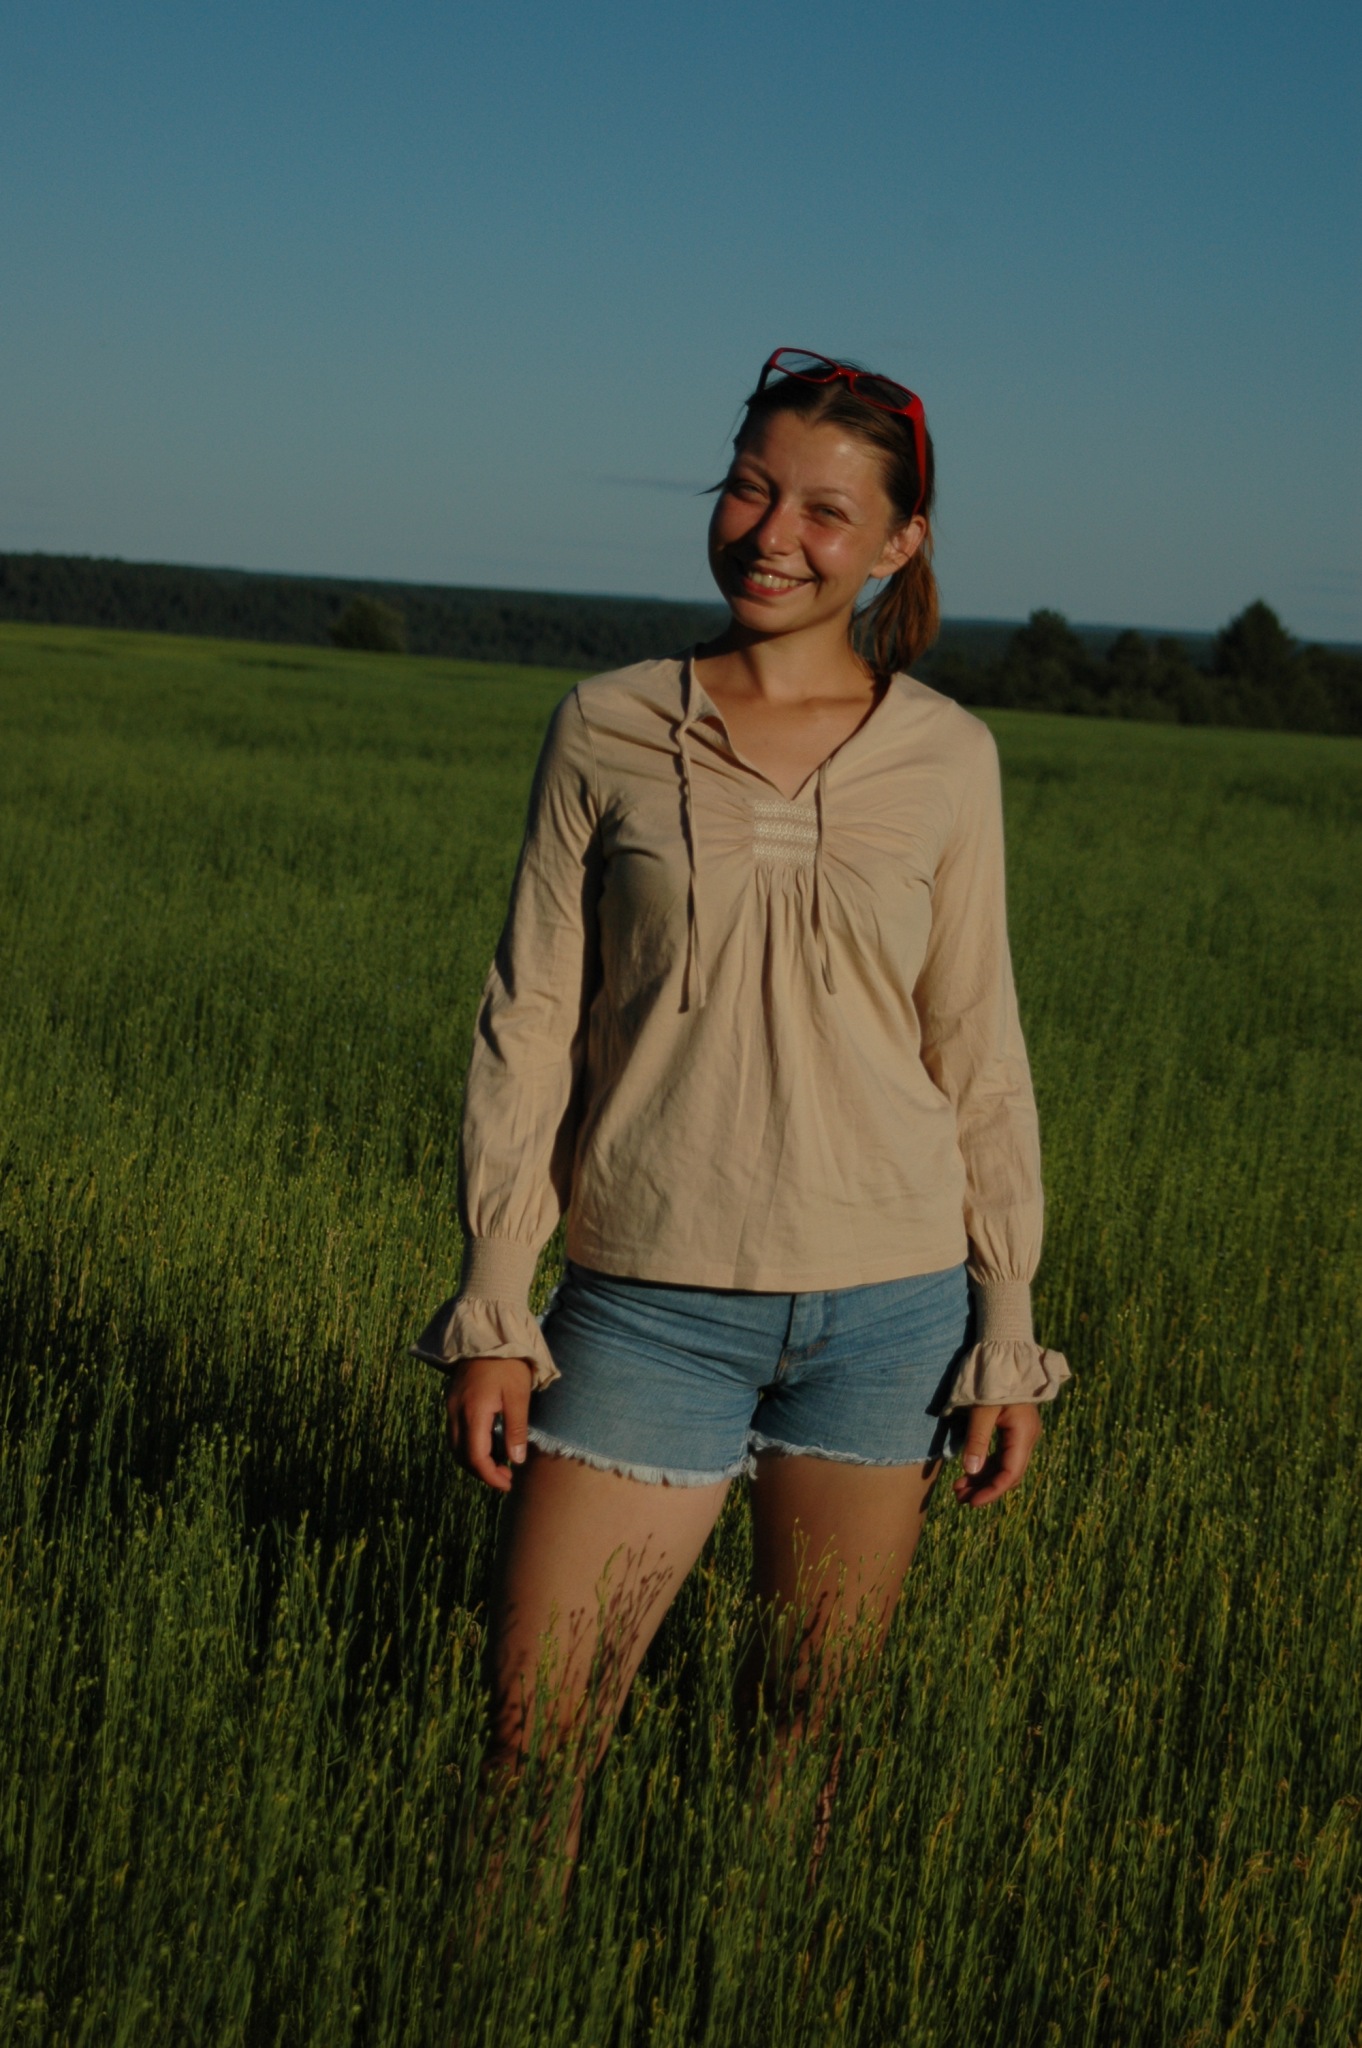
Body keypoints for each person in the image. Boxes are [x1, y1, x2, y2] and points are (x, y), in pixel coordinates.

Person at [412, 347, 1069, 1860]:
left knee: (802, 1741)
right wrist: (495, 1300)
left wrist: (1005, 1327)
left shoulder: (947, 755)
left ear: (898, 542)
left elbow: (979, 1046)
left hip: (891, 1314)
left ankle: (754, 1961)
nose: (773, 534)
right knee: (531, 1746)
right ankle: (500, 1977)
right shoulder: (608, 724)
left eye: (826, 511)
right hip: (648, 1302)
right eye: (750, 488)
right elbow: (529, 1017)